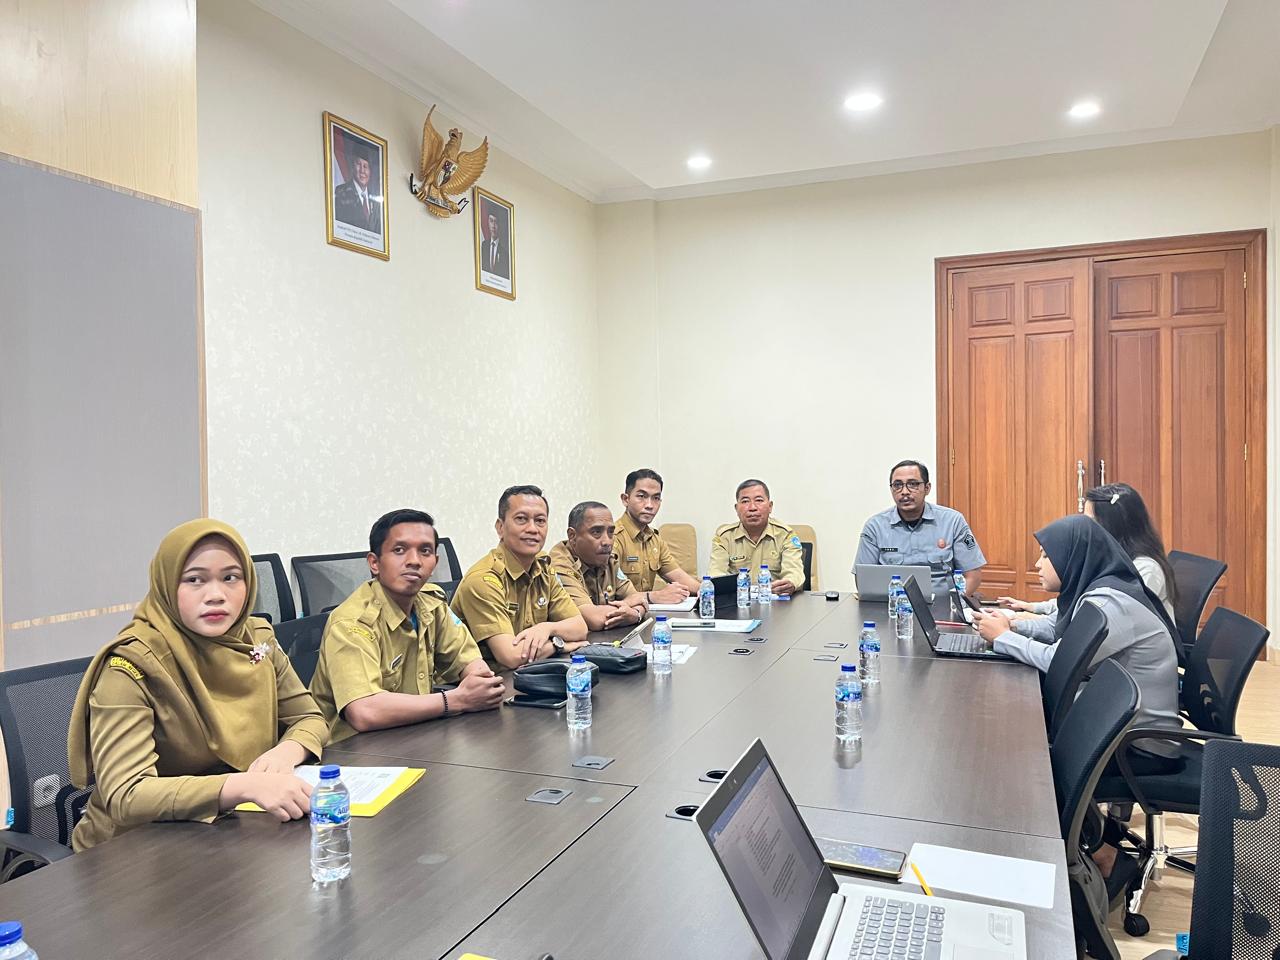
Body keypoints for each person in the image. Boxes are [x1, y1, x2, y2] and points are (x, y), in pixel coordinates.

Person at [67, 519, 328, 851]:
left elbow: (310, 718)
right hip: (134, 851)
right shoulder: (130, 666)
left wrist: (286, 751)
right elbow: (127, 794)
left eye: (231, 578)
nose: (216, 595)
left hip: (226, 833)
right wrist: (244, 786)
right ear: (165, 585)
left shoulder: (255, 639)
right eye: (194, 580)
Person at [309, 509, 505, 743]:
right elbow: (364, 712)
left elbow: (471, 663)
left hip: (415, 735)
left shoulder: (432, 603)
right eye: (399, 550)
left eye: (425, 551)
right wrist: (457, 700)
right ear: (374, 562)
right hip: (351, 753)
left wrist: (477, 682)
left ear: (435, 562)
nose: (414, 561)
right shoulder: (352, 623)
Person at [997, 482, 1177, 622]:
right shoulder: (1108, 560)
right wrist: (1032, 607)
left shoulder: (1145, 568)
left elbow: (1103, 620)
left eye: (1090, 521)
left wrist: (1028, 620)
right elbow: (1082, 601)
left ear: (1112, 524)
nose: (1085, 527)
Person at [453, 485, 588, 668]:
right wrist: (561, 645)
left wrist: (547, 628)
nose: (533, 529)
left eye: (540, 520)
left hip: (528, 673)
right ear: (500, 527)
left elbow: (580, 627)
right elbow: (512, 656)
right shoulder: (483, 580)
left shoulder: (543, 568)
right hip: (481, 685)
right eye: (521, 519)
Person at [853, 460, 986, 595]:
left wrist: (952, 604)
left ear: (927, 488)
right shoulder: (875, 527)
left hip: (943, 607)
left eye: (913, 484)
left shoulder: (952, 521)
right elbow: (863, 580)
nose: (904, 491)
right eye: (897, 485)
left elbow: (972, 576)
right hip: (892, 607)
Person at [549, 502, 649, 631]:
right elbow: (594, 619)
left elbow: (639, 599)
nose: (607, 542)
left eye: (611, 532)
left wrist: (635, 614)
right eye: (596, 532)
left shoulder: (607, 559)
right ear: (572, 536)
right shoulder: (559, 564)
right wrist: (629, 606)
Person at [612, 468, 701, 602]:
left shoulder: (654, 540)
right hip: (618, 616)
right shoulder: (611, 538)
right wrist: (654, 596)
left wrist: (707, 590)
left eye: (656, 498)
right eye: (641, 496)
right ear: (626, 499)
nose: (649, 505)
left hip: (646, 614)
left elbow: (678, 576)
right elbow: (611, 592)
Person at [708, 479, 806, 595]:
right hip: (738, 605)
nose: (752, 507)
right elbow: (716, 575)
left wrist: (790, 583)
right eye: (745, 501)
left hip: (776, 604)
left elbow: (794, 571)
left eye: (759, 500)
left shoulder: (785, 535)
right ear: (736, 508)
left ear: (770, 506)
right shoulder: (724, 537)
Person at [333, 149, 382, 234]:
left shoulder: (376, 200)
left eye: (365, 166)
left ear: (370, 172)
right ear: (353, 167)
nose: (362, 171)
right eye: (359, 164)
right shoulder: (341, 192)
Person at [480, 209, 508, 278]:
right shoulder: (483, 246)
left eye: (496, 222)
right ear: (488, 222)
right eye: (491, 221)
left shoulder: (505, 252)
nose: (493, 226)